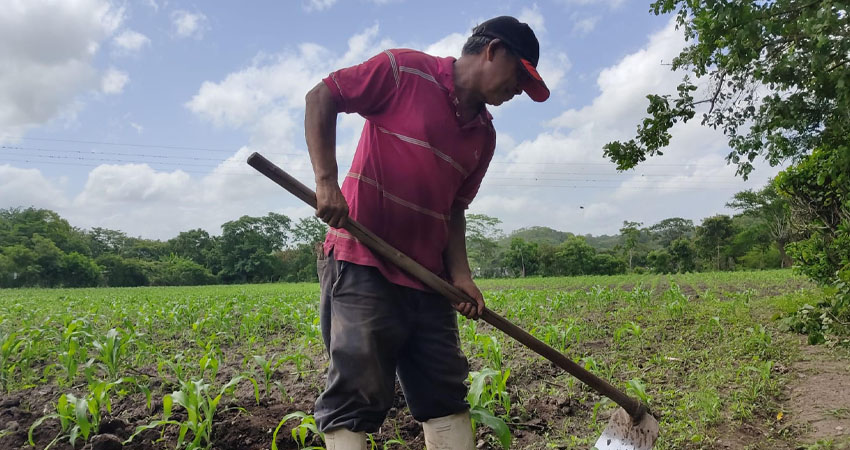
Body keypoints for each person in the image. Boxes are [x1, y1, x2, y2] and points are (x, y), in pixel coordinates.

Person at [304, 16, 549, 450]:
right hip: (364, 261)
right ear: (493, 51)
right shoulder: (404, 71)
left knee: (445, 395)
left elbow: (455, 208)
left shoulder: (484, 135)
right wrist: (326, 181)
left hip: (428, 279)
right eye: (518, 79)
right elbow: (323, 95)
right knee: (354, 398)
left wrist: (461, 274)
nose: (517, 93)